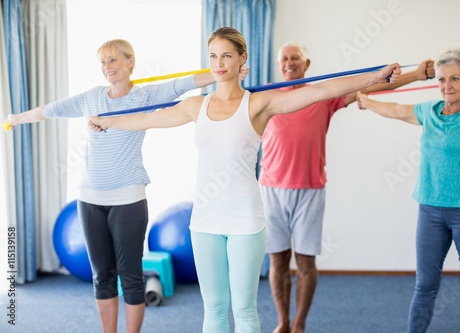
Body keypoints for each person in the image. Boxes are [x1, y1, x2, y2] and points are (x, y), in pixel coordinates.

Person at [88, 27, 401, 333]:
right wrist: (107, 121)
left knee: (244, 310)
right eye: (213, 56)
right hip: (205, 220)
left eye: (226, 56)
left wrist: (375, 76)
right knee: (213, 310)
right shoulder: (197, 105)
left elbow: (320, 90)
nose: (219, 64)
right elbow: (147, 119)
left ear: (242, 59)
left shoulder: (258, 104)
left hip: (245, 220)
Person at [4, 39, 237, 333]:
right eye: (103, 62)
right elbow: (50, 110)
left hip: (128, 198)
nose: (107, 67)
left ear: (130, 62)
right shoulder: (91, 97)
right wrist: (16, 118)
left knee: (131, 275)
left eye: (113, 60)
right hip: (89, 199)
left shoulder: (146, 96)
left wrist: (225, 71)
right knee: (102, 275)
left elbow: (184, 83)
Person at [259, 41, 435, 333]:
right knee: (277, 260)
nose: (289, 63)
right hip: (271, 189)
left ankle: (299, 324)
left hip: (310, 188)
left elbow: (374, 87)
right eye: (284, 59)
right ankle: (282, 322)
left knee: (305, 261)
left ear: (307, 64)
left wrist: (416, 75)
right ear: (279, 65)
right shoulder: (267, 94)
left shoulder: (322, 95)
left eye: (295, 58)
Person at [357, 47, 460, 333]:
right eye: (442, 79)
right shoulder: (429, 112)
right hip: (430, 211)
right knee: (425, 285)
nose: (447, 86)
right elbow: (396, 111)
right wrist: (365, 100)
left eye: (455, 79)